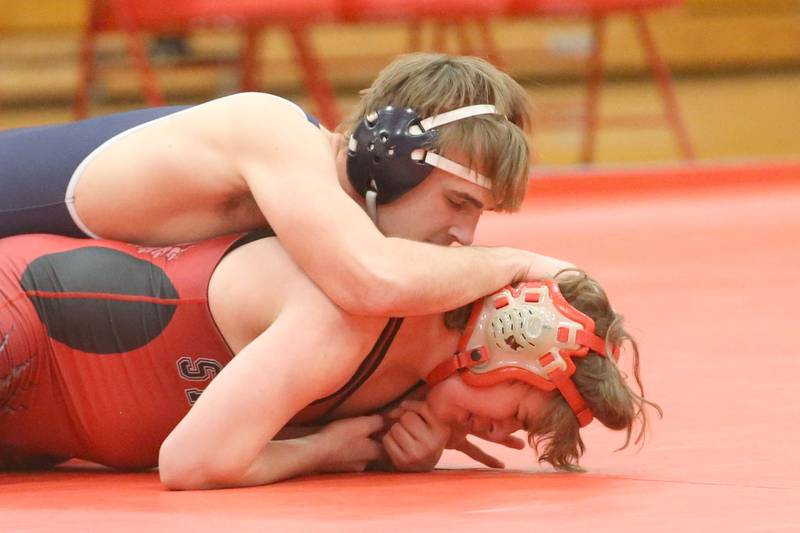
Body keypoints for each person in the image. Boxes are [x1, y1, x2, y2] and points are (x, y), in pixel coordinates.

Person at [0, 229, 658, 488]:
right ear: (498, 344)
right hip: (22, 319)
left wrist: (384, 450)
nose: (501, 434)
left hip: (37, 428)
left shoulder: (408, 377)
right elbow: (190, 462)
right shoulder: (356, 316)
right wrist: (323, 449)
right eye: (515, 411)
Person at [0, 53, 571, 320]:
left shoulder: (307, 199)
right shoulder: (270, 129)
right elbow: (372, 282)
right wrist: (518, 264)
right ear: (393, 157)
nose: (464, 234)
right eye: (459, 201)